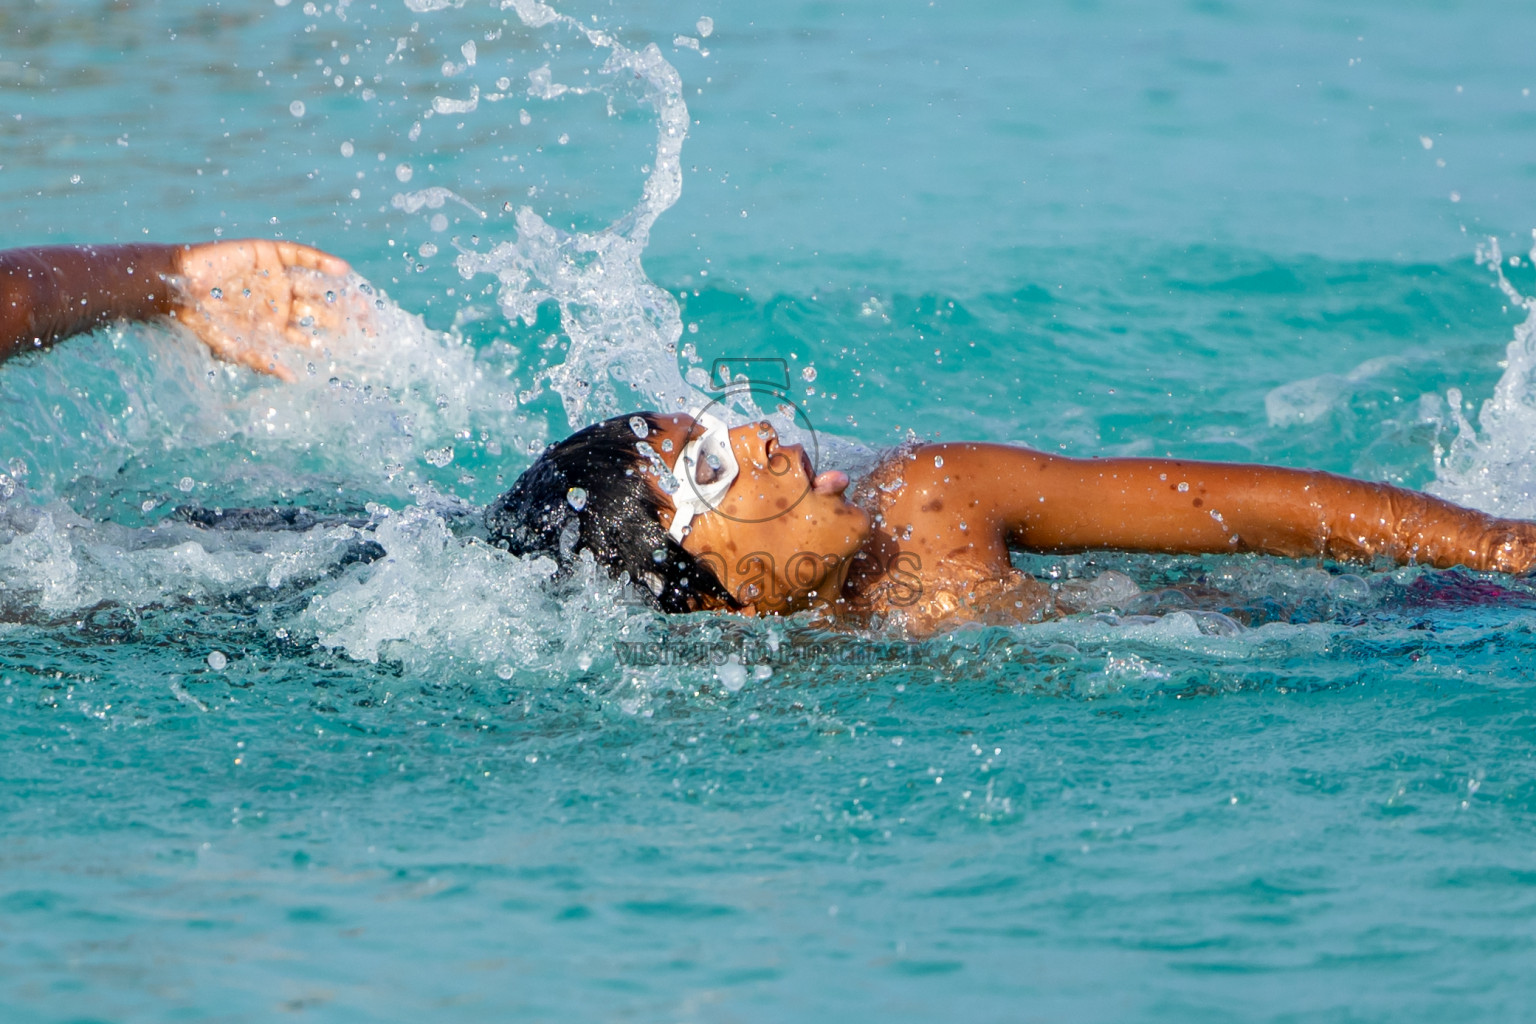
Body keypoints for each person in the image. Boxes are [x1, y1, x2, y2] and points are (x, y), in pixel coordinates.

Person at [6, 240, 1534, 635]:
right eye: (717, 471)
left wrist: (1504, 549)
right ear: (703, 586)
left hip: (1400, 623)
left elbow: (1246, 509)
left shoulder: (939, 507)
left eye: (725, 427)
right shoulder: (725, 675)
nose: (771, 437)